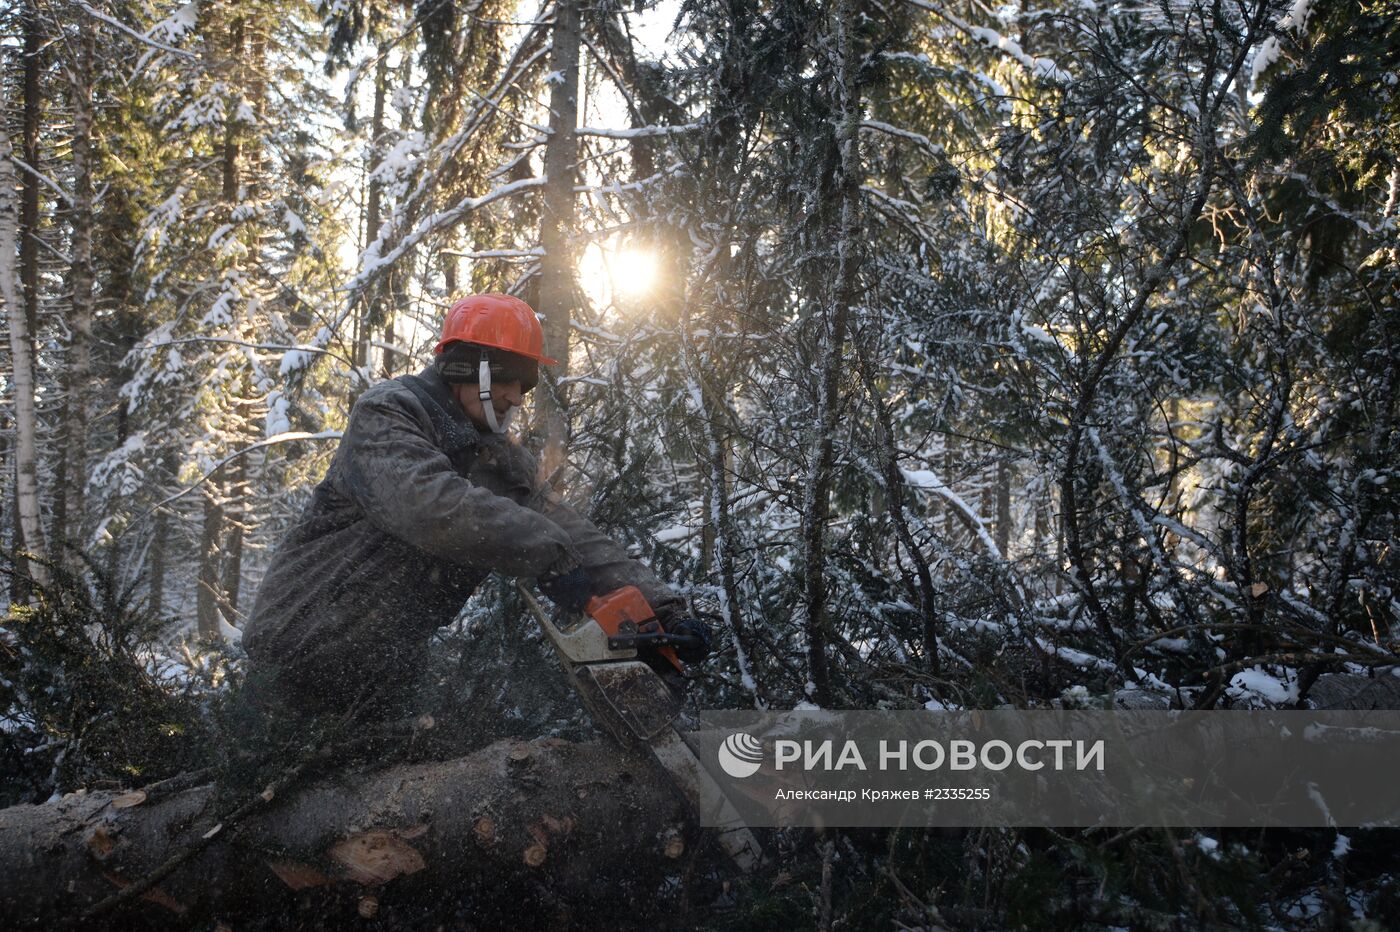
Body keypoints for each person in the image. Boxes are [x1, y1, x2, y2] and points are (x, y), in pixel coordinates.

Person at [241, 293, 709, 720]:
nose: (516, 397)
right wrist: (548, 553)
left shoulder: (494, 458)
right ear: (471, 368)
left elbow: (569, 530)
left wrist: (663, 611)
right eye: (510, 379)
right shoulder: (389, 414)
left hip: (385, 669)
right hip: (299, 651)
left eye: (526, 385)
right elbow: (431, 507)